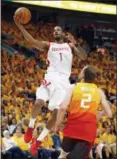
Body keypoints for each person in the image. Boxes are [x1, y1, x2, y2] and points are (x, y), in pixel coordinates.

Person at [13, 15, 87, 155]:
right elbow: (32, 41)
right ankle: (30, 127)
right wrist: (20, 26)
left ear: (63, 33)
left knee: (55, 114)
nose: (55, 32)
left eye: (58, 30)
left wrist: (75, 43)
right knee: (38, 102)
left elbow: (83, 57)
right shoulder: (49, 45)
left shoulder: (69, 46)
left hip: (64, 82)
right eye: (54, 31)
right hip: (51, 77)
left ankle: (38, 141)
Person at [54, 66, 112, 159]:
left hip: (71, 131)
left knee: (67, 151)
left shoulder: (73, 87)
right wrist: (99, 114)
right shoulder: (99, 91)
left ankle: (64, 154)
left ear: (83, 75)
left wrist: (57, 124)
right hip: (87, 133)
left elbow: (63, 108)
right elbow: (109, 113)